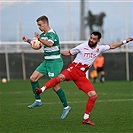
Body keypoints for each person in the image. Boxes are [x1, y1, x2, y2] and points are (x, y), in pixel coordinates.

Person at [35, 31, 133, 126]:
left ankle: (86, 118)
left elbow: (112, 46)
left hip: (81, 75)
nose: (91, 40)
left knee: (93, 96)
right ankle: (41, 90)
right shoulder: (83, 46)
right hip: (73, 69)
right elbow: (69, 52)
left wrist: (125, 41)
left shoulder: (100, 48)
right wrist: (58, 53)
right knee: (60, 77)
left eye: (94, 39)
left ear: (98, 41)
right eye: (91, 37)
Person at [22, 15, 71, 119]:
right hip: (47, 61)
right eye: (38, 25)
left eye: (40, 25)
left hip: (55, 62)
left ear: (45, 24)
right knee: (33, 78)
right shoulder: (43, 35)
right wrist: (28, 40)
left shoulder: (52, 34)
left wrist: (40, 39)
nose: (39, 27)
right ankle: (38, 100)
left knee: (55, 86)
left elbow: (49, 44)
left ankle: (66, 107)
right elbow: (38, 44)